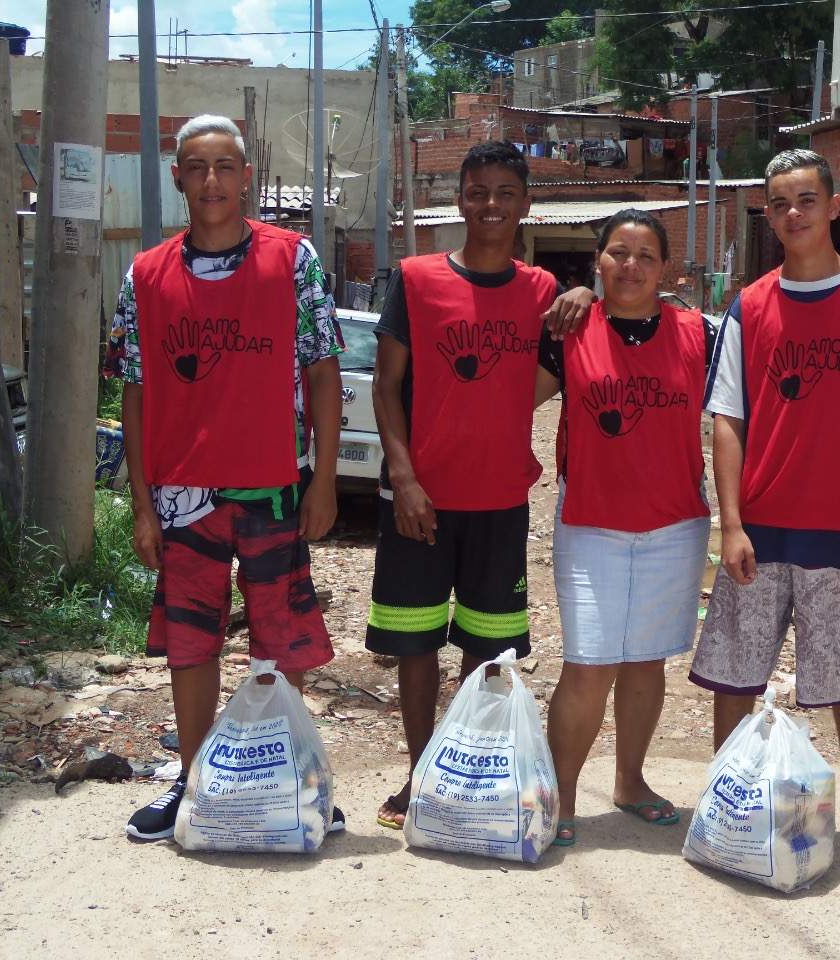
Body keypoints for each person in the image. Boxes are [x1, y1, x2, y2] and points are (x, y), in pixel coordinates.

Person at [106, 115, 344, 841]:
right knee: (190, 643)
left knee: (282, 641)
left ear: (247, 177)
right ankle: (191, 783)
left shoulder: (292, 258)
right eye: (196, 167)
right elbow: (136, 395)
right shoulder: (145, 274)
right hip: (183, 497)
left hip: (273, 484)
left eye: (225, 167)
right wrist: (143, 506)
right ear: (178, 177)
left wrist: (325, 477)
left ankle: (294, 781)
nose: (211, 181)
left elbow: (323, 372)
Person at [690, 149, 840, 856]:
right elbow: (727, 419)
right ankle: (726, 795)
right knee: (735, 673)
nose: (792, 214)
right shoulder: (749, 306)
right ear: (769, 217)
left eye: (804, 200)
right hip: (759, 530)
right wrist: (730, 523)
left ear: (832, 207)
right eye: (779, 204)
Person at [370, 141, 593, 830]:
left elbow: (571, 357)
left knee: (483, 649)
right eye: (477, 191)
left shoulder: (542, 294)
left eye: (504, 192)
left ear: (526, 204)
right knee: (413, 646)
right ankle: (416, 773)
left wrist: (585, 291)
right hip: (420, 498)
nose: (490, 204)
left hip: (499, 498)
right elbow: (386, 385)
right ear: (459, 199)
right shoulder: (415, 278)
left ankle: (458, 771)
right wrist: (404, 477)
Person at [536, 209, 719, 846]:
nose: (631, 265)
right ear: (598, 261)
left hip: (675, 527)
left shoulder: (702, 334)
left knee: (645, 661)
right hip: (590, 525)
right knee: (589, 662)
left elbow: (743, 416)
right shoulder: (570, 329)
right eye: (618, 253)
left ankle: (630, 780)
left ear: (665, 268)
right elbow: (509, 397)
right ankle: (560, 789)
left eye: (645, 255)